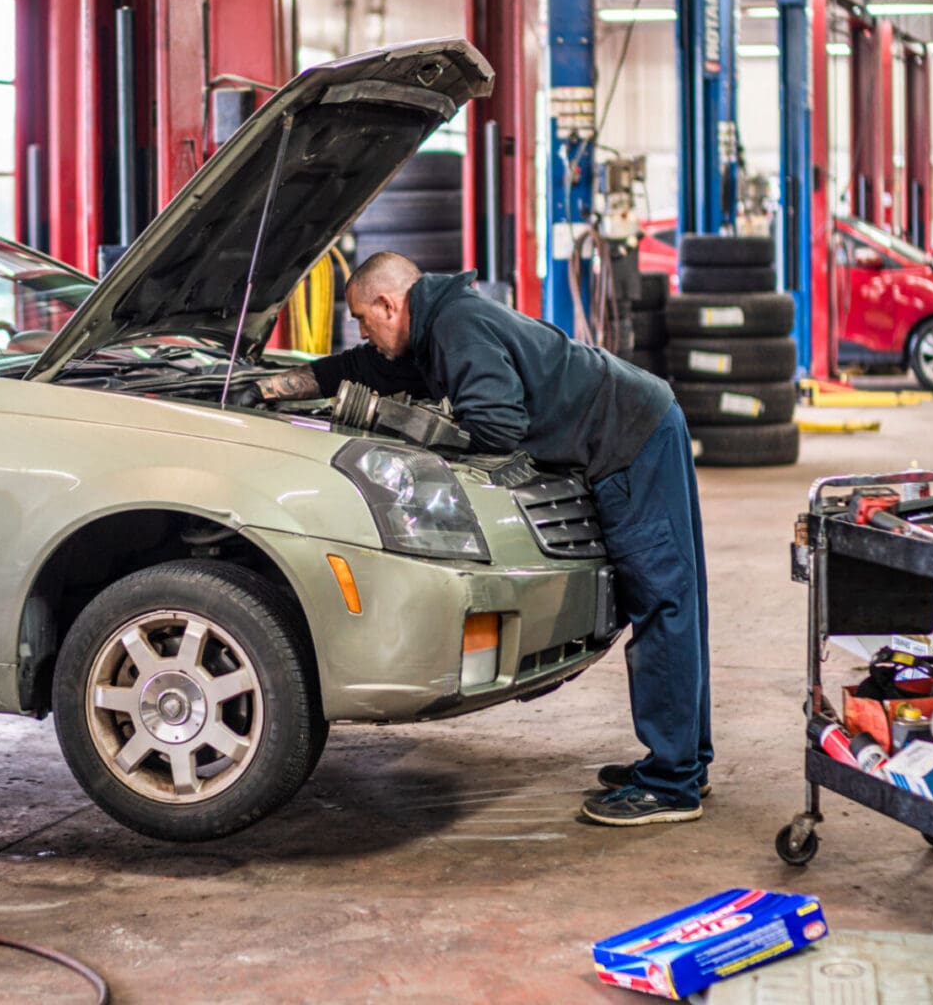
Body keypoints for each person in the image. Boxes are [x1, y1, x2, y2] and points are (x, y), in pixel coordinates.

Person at [233, 251, 712, 825]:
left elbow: (497, 428)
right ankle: (684, 763)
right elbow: (359, 368)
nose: (364, 331)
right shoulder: (432, 329)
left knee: (663, 601)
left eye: (365, 318)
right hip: (634, 421)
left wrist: (402, 424)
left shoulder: (458, 329)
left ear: (391, 303)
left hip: (631, 436)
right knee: (669, 600)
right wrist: (270, 388)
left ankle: (672, 784)